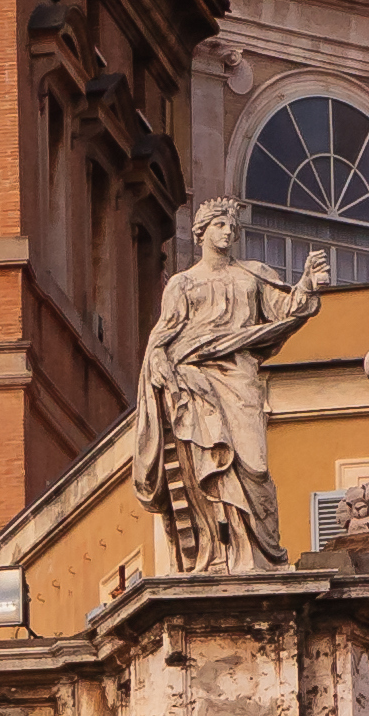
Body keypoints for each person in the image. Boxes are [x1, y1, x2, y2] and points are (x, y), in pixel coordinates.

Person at [132, 195, 330, 573]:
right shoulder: (183, 283)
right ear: (201, 231)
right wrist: (159, 368)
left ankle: (257, 553)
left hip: (240, 379)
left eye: (232, 227)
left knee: (252, 464)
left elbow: (287, 309)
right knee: (206, 464)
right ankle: (217, 553)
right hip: (193, 380)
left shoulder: (251, 275)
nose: (228, 232)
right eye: (220, 225)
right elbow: (162, 337)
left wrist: (306, 283)